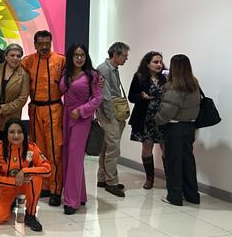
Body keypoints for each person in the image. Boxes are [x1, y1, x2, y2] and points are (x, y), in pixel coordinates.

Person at [22, 30, 65, 206]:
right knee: (38, 150)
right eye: (40, 44)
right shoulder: (27, 61)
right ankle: (44, 185)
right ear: (35, 44)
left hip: (54, 109)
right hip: (34, 109)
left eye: (47, 43)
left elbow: (77, 74)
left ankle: (56, 189)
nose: (44, 47)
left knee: (55, 151)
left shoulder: (61, 60)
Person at [60, 44, 102, 215]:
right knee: (68, 156)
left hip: (81, 119)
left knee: (74, 158)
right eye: (76, 55)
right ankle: (80, 195)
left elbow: (98, 98)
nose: (79, 58)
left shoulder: (92, 75)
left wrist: (82, 110)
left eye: (82, 55)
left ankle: (72, 201)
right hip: (66, 116)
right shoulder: (66, 73)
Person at [0, 119, 51, 231]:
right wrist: (14, 181)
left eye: (20, 132)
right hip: (6, 185)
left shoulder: (31, 147)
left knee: (35, 177)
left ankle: (30, 215)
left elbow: (47, 169)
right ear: (6, 134)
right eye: (12, 132)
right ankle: (11, 202)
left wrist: (25, 171)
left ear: (24, 133)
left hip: (25, 184)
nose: (16, 136)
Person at [155, 54, 201, 206]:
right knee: (188, 161)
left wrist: (157, 119)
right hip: (189, 126)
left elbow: (167, 111)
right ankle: (192, 195)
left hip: (175, 128)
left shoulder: (175, 85)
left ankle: (174, 196)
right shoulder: (193, 82)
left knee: (173, 162)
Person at [128, 51, 167, 189]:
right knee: (147, 146)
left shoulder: (166, 78)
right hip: (145, 118)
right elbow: (131, 96)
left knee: (166, 147)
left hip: (163, 118)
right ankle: (149, 178)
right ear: (148, 64)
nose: (159, 65)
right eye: (155, 62)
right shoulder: (139, 77)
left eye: (160, 62)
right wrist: (141, 96)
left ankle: (170, 177)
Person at [96, 42, 130, 198]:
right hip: (110, 114)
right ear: (115, 55)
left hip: (112, 113)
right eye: (124, 55)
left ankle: (103, 178)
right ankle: (112, 182)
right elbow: (106, 96)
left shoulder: (113, 69)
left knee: (107, 147)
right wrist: (110, 117)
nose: (126, 58)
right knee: (113, 148)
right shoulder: (104, 69)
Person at [0, 43, 30, 137]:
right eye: (12, 55)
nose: (15, 58)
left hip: (12, 119)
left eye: (18, 56)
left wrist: (2, 110)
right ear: (6, 56)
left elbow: (22, 99)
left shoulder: (24, 75)